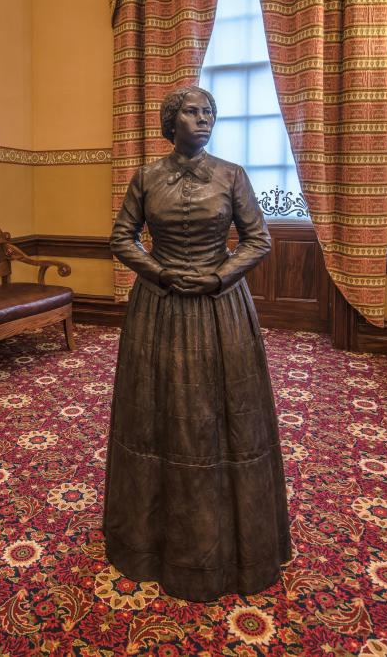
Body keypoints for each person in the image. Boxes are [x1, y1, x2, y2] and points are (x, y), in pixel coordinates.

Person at [103, 86, 292, 602]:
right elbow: (121, 238)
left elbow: (258, 239)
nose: (204, 118)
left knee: (224, 413)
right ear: (172, 121)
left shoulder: (233, 175)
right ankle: (148, 540)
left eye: (210, 112)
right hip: (158, 308)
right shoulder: (146, 176)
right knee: (156, 411)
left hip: (220, 306)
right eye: (192, 111)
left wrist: (218, 277)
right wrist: (160, 272)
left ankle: (235, 544)